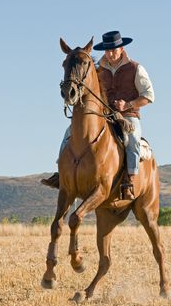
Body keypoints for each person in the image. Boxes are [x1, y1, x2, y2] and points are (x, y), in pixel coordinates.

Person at [41, 31, 155, 200]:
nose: (110, 54)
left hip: (128, 115)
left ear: (121, 48)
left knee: (132, 138)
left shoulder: (135, 68)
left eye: (113, 50)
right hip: (103, 114)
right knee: (68, 133)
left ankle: (129, 180)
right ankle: (61, 176)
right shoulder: (98, 68)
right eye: (107, 50)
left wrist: (128, 104)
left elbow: (148, 96)